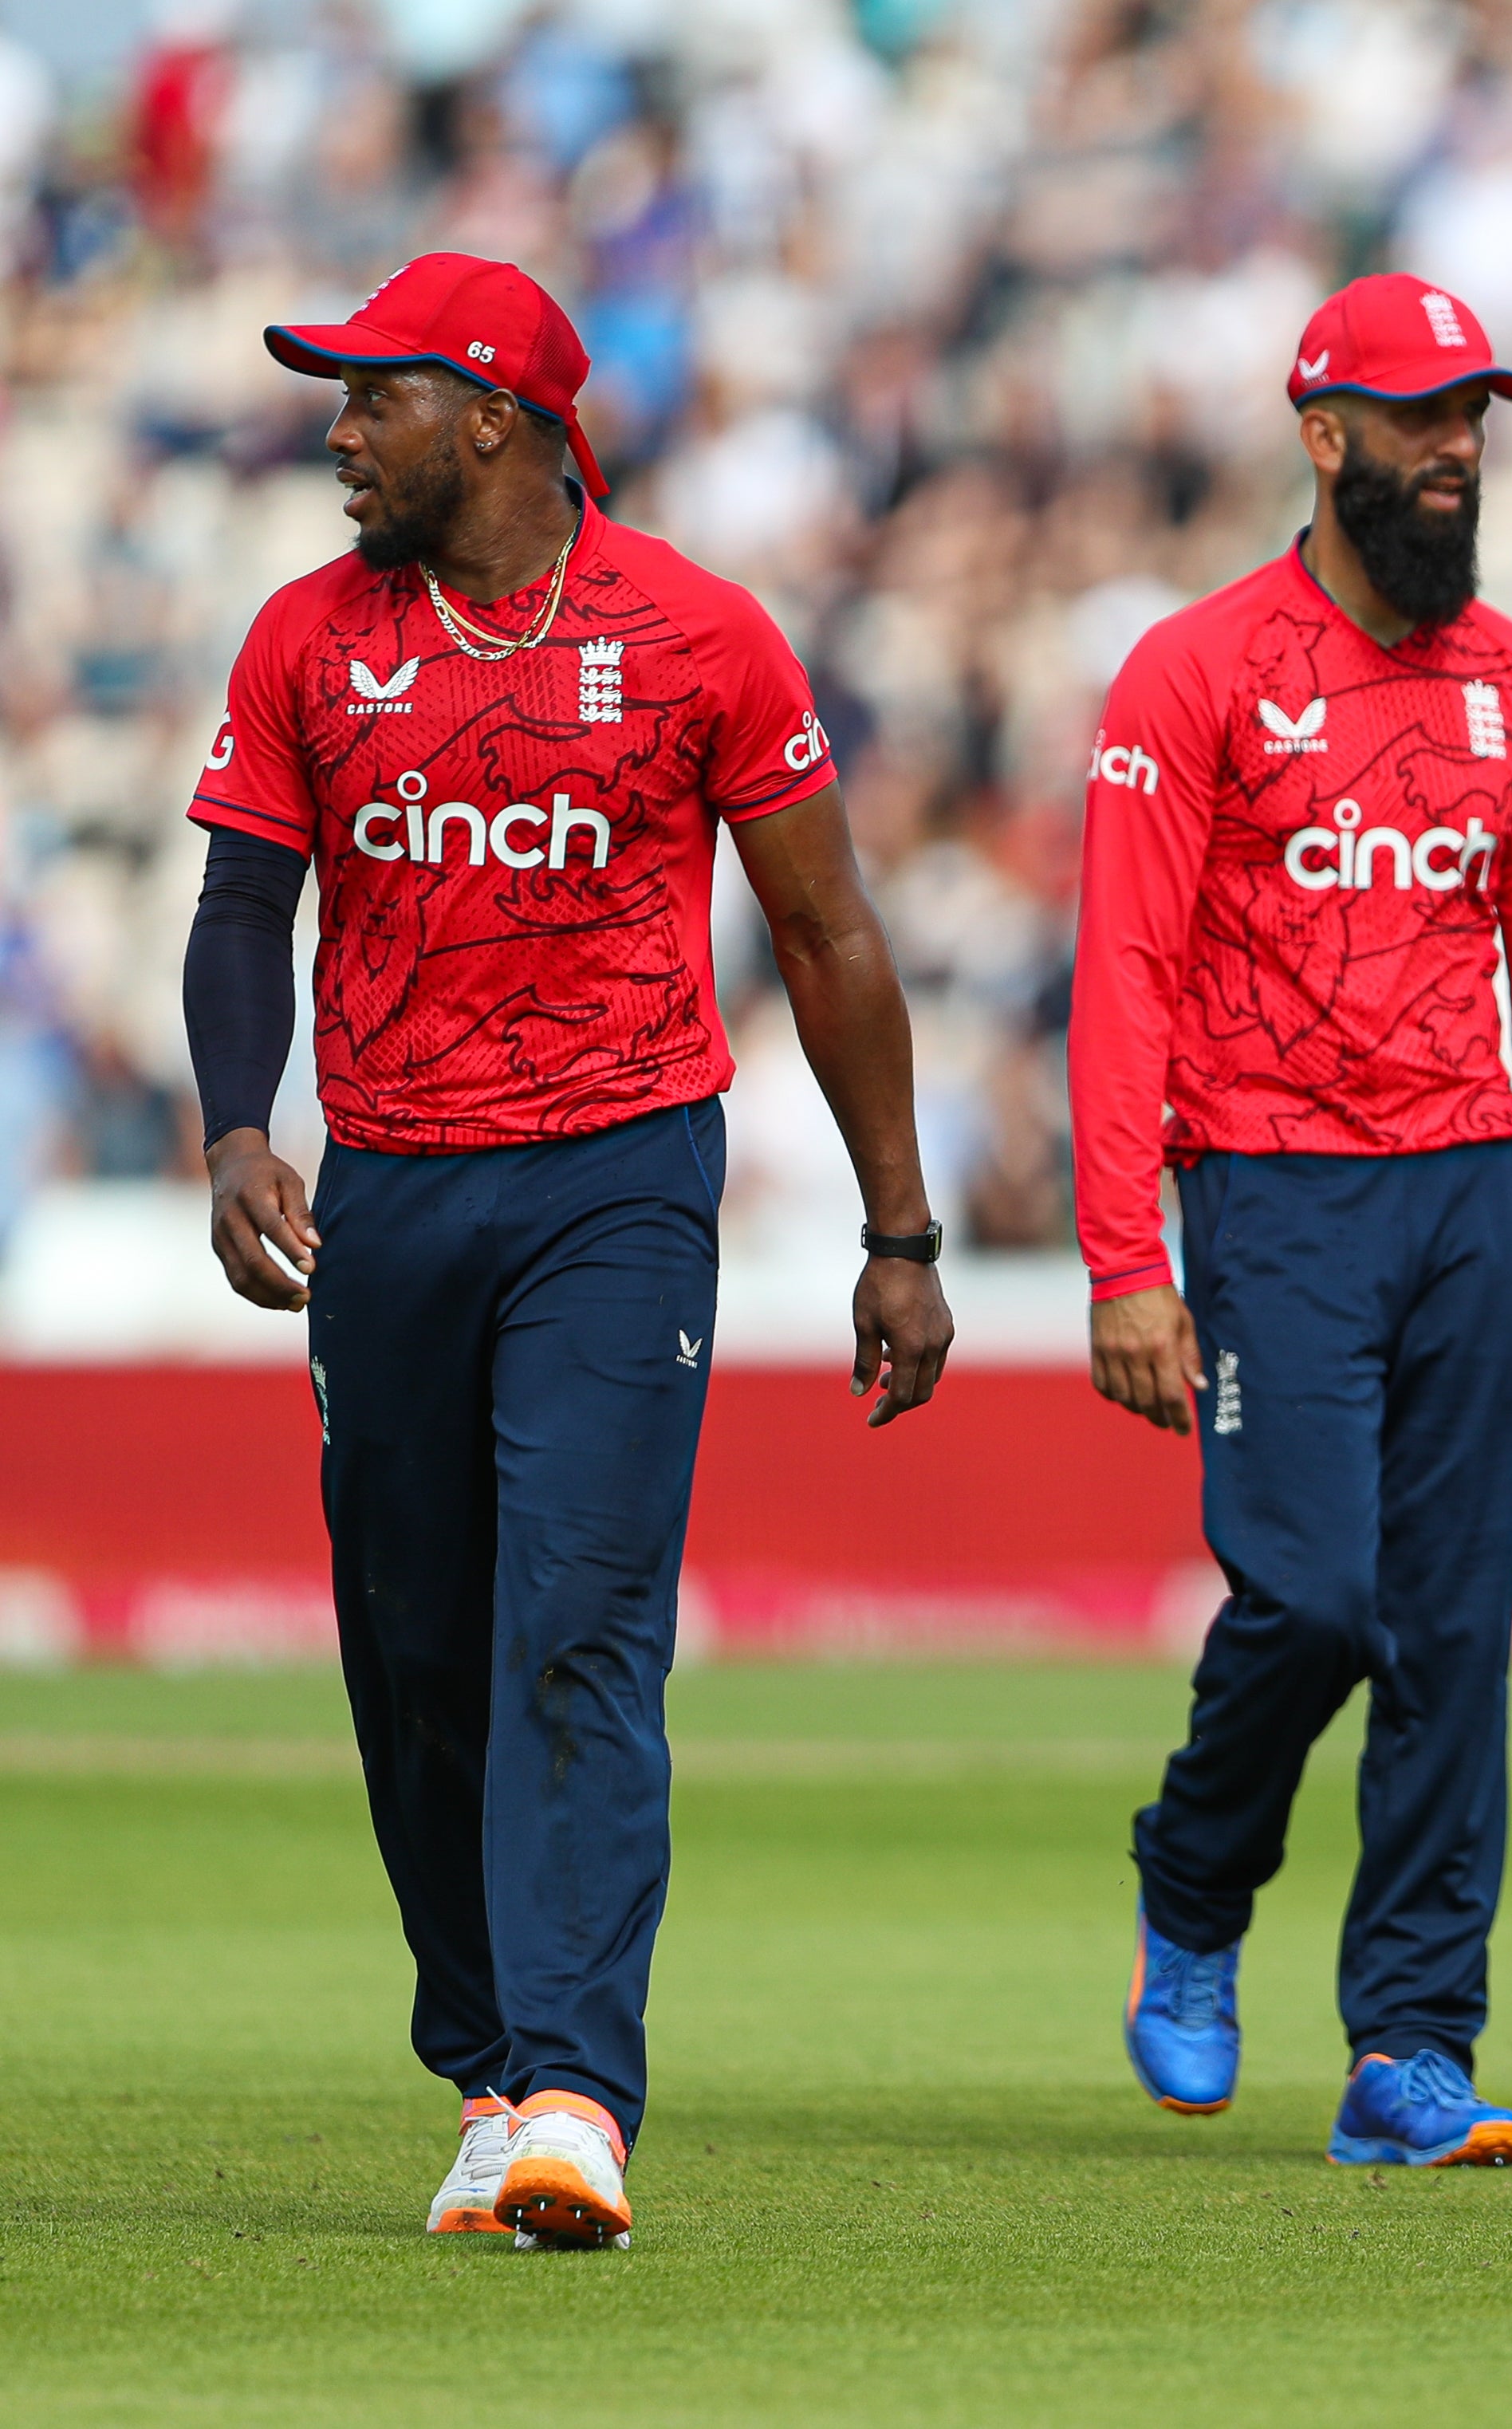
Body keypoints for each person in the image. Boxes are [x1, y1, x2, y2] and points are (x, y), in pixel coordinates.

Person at [181, 254, 952, 2250]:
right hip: (398, 1185)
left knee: (582, 1618)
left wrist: (899, 1226)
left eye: (374, 399)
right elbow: (240, 908)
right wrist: (244, 1122)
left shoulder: (696, 634)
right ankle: (490, 2064)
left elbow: (830, 930)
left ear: (494, 416)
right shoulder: (304, 640)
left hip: (621, 1172)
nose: (339, 432)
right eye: (335, 400)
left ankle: (580, 2095)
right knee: (415, 1642)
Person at [1073, 274, 1512, 2169]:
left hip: (1467, 1192)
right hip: (1270, 1188)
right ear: (1326, 442)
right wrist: (1124, 1257)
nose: (1456, 449)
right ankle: (1193, 1866)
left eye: (1474, 415)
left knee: (1450, 1636)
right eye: (1418, 420)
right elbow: (1125, 975)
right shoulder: (1198, 669)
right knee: (1315, 1596)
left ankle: (1409, 2044)